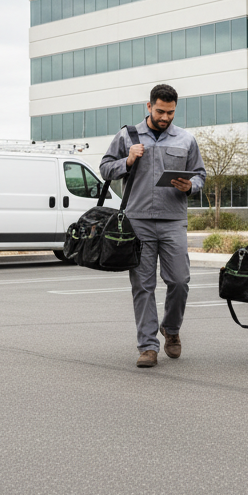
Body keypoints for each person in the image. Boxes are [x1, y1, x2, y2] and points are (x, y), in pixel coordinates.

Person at [100, 84, 206, 368]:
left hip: (173, 220)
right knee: (143, 285)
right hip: (138, 222)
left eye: (170, 112)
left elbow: (200, 175)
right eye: (160, 111)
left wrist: (190, 186)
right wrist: (127, 160)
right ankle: (148, 346)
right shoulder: (127, 136)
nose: (165, 117)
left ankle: (171, 330)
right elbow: (105, 168)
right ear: (149, 107)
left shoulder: (186, 140)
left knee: (180, 281)